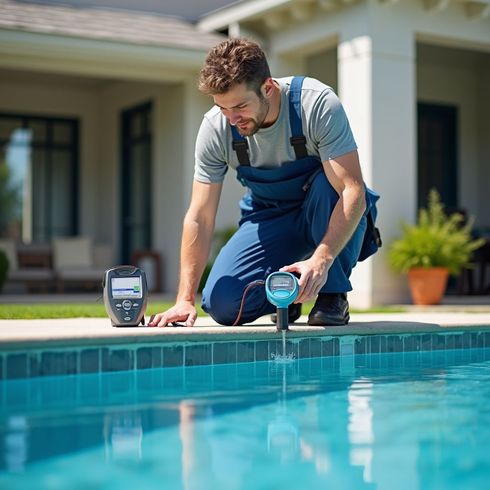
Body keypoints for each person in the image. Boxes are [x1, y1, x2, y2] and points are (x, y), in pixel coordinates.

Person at [149, 38, 380, 328]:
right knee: (223, 306)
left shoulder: (316, 103)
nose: (232, 119)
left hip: (326, 209)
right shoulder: (216, 128)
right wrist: (184, 298)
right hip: (270, 216)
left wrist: (321, 259)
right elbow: (200, 216)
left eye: (240, 106)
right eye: (222, 108)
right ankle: (287, 293)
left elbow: (351, 190)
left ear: (268, 88)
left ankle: (331, 295)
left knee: (327, 184)